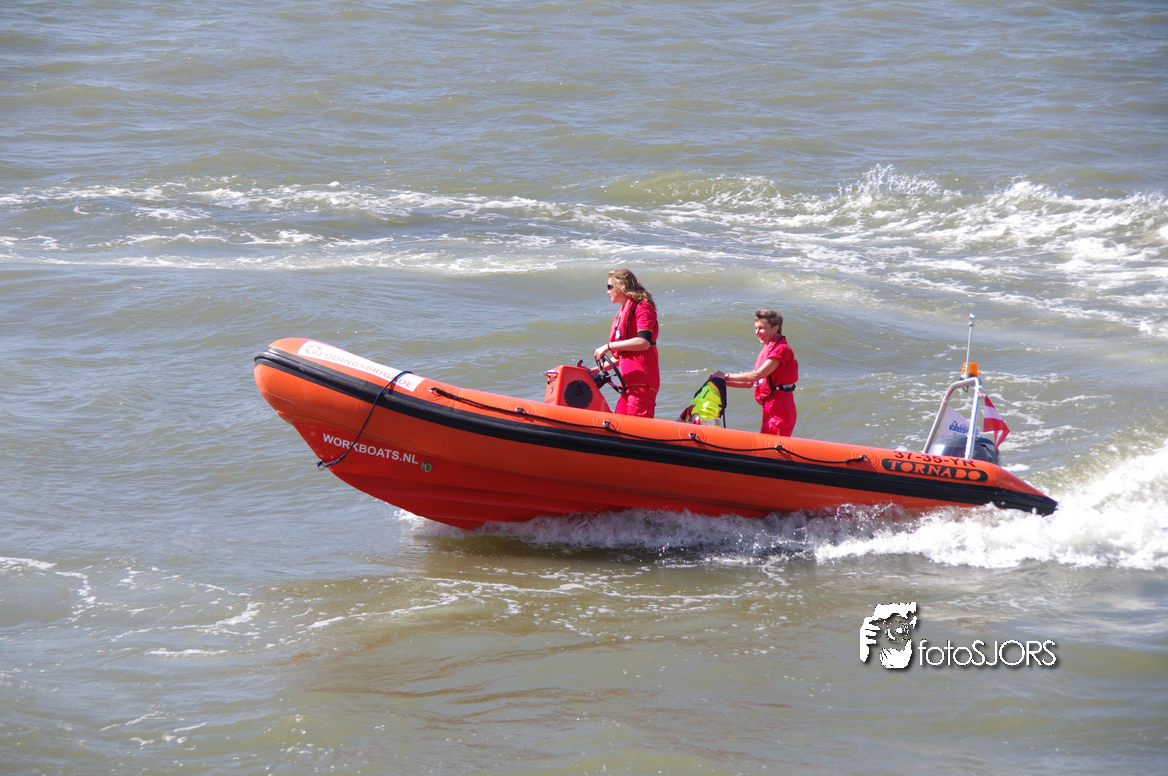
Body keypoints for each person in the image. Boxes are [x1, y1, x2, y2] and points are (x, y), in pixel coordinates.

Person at [712, 308, 798, 436]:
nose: (757, 332)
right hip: (769, 407)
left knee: (772, 446)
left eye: (761, 328)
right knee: (766, 443)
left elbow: (756, 375)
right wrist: (720, 381)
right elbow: (750, 383)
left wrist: (725, 375)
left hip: (781, 407)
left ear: (775, 328)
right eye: (756, 328)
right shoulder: (766, 350)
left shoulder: (781, 350)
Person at [593, 269, 659, 417]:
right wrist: (593, 370)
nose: (607, 292)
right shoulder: (623, 312)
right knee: (619, 421)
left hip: (642, 381)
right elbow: (621, 357)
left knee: (635, 425)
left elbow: (643, 342)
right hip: (628, 382)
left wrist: (608, 346)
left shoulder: (643, 307)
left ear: (620, 287)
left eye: (610, 287)